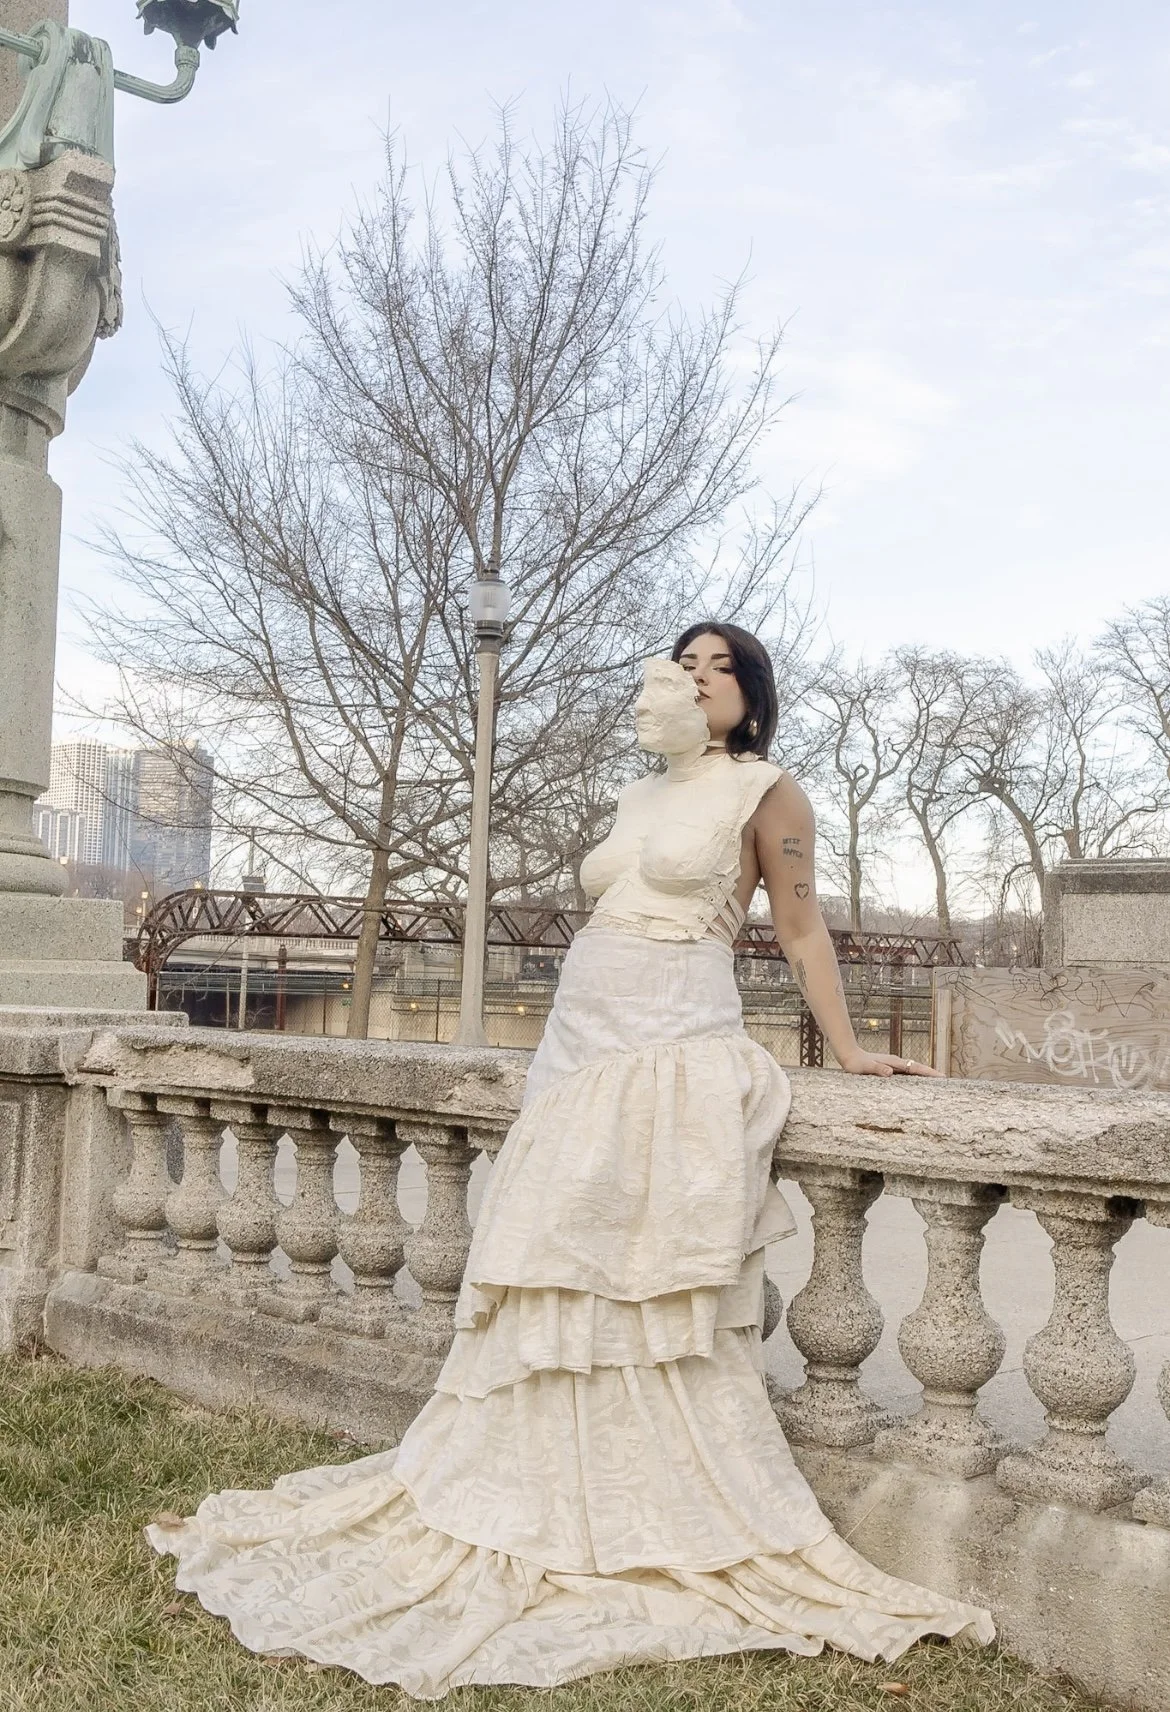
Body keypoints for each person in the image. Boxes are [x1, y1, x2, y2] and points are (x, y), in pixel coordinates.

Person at [148, 624, 994, 1697]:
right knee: (554, 1264)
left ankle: (650, 1498)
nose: (694, 675)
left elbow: (801, 928)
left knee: (639, 1269)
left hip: (672, 1042)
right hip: (578, 1045)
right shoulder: (639, 795)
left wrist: (852, 1046)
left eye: (717, 664)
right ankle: (540, 1481)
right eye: (681, 660)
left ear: (750, 690)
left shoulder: (770, 792)